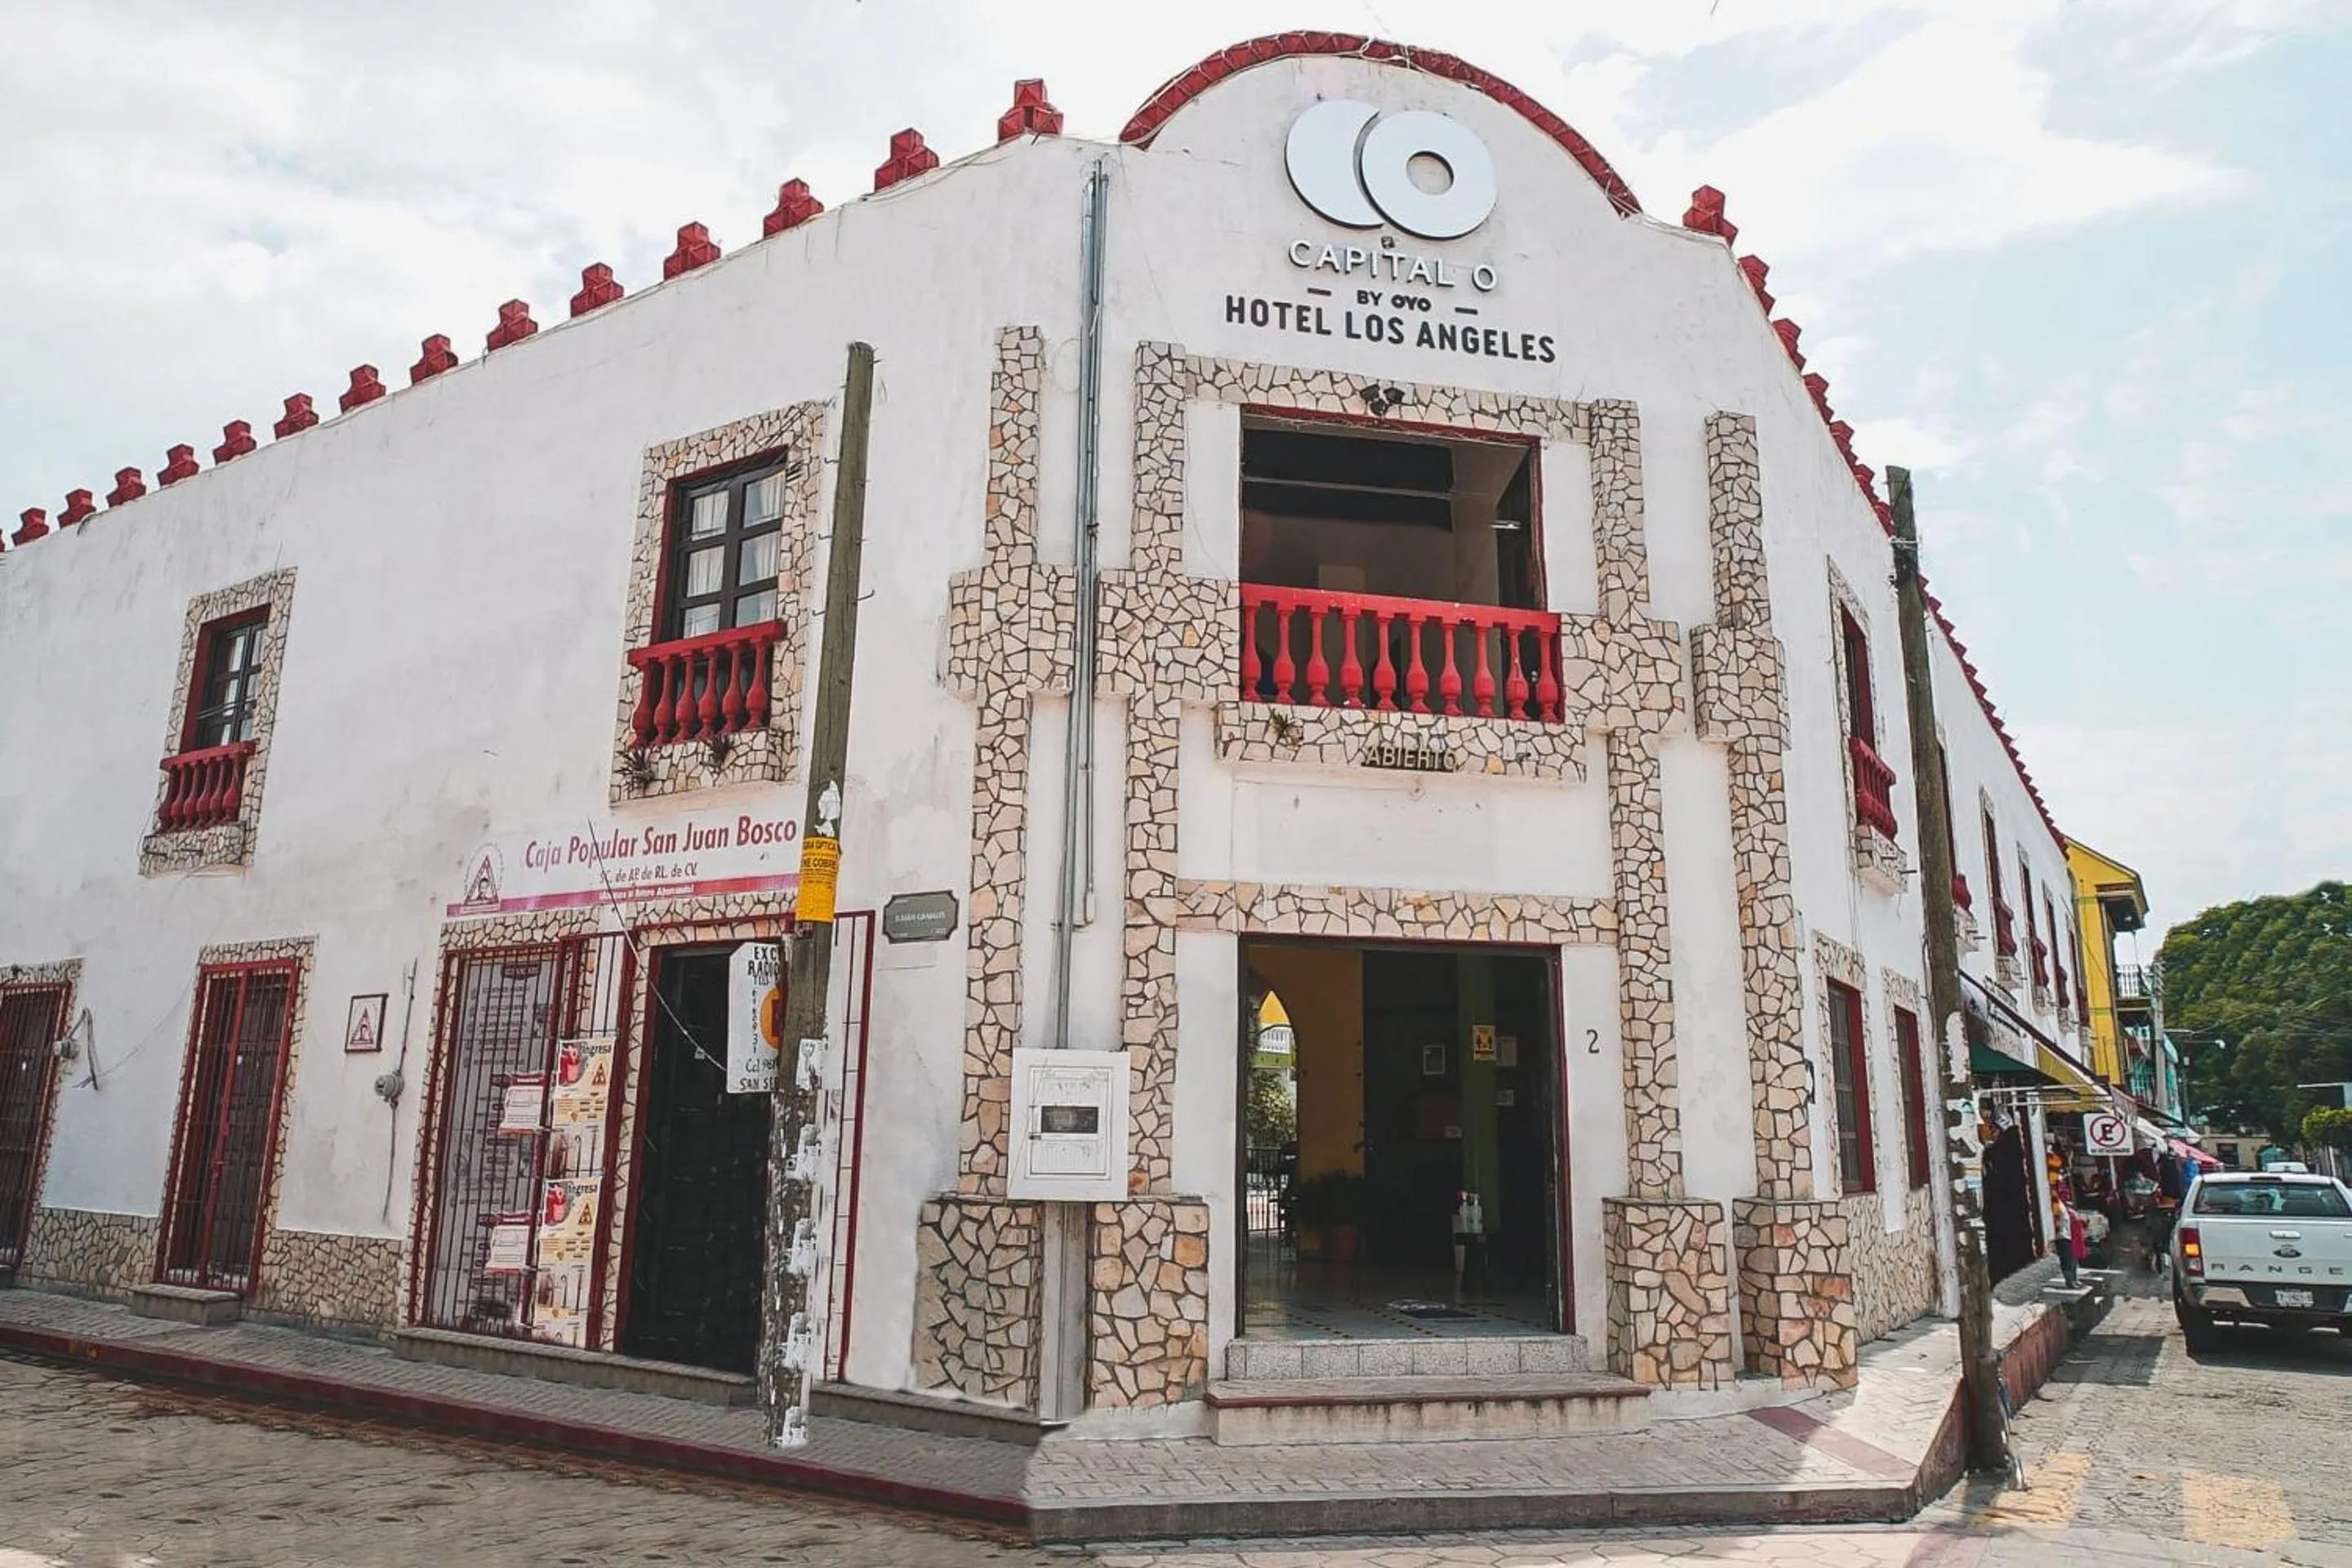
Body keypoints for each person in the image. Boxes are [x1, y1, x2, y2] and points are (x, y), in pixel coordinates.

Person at [2053, 1180, 2088, 1290]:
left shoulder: (2062, 1205)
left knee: (2072, 1259)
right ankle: (2070, 1281)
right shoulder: (2056, 1205)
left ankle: (2074, 1279)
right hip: (2061, 1235)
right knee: (2067, 1259)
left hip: (2068, 1235)